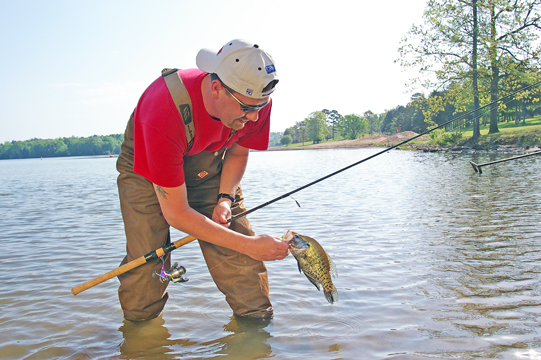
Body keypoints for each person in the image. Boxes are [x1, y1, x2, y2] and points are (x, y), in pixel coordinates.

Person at [115, 39, 290, 322]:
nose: (255, 116)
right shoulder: (163, 111)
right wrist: (250, 244)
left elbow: (237, 153)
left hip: (208, 163)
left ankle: (258, 330)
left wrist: (225, 198)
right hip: (146, 166)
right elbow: (177, 214)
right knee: (149, 260)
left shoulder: (254, 99)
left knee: (238, 246)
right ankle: (141, 336)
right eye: (247, 108)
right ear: (217, 88)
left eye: (261, 106)